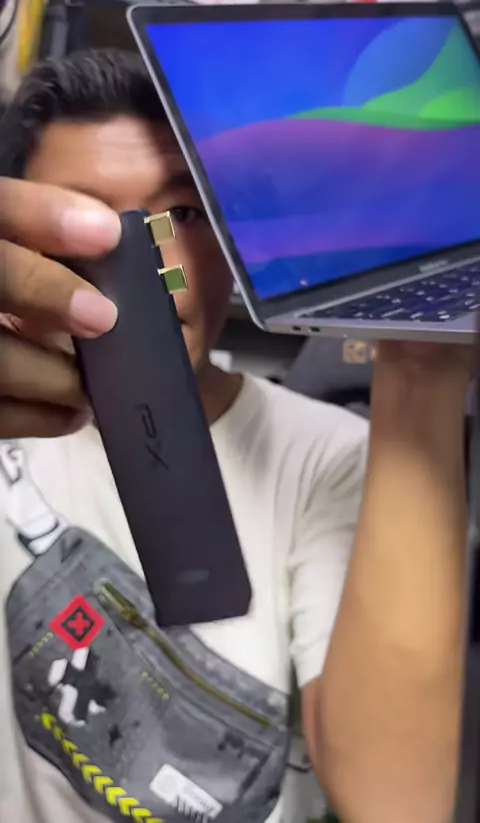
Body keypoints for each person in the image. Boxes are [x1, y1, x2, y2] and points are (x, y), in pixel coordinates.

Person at [0, 48, 471, 823]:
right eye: (84, 222)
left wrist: (423, 369)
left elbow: (397, 804)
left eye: (180, 216)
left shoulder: (332, 461)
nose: (149, 266)